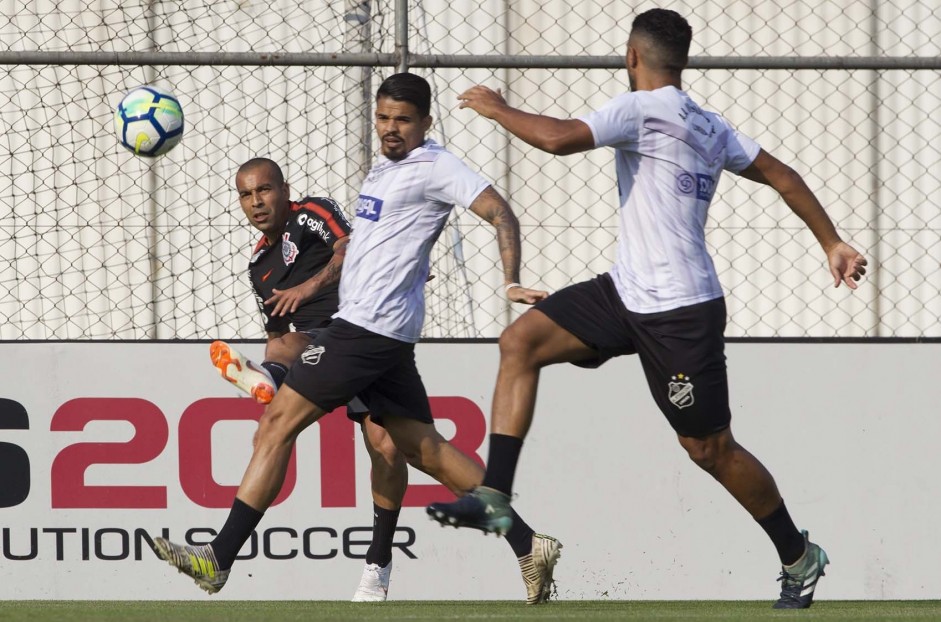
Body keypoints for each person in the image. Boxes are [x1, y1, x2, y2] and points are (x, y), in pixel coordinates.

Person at [426, 8, 867, 610]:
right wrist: (830, 241)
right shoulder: (710, 124)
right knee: (520, 343)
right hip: (625, 291)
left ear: (633, 56)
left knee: (710, 449)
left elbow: (557, 140)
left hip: (681, 311)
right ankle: (495, 496)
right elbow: (783, 175)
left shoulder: (641, 108)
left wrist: (496, 106)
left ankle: (798, 554)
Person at [154, 73, 563, 605]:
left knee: (277, 422)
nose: (391, 129)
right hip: (381, 330)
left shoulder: (436, 166)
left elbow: (499, 211)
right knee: (428, 451)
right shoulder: (383, 168)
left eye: (403, 120)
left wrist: (510, 279)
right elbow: (374, 243)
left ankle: (219, 557)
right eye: (384, 118)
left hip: (366, 329)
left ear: (426, 123)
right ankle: (530, 545)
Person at [206, 156, 407, 601]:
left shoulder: (311, 215)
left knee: (389, 448)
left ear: (284, 189)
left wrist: (308, 288)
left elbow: (348, 246)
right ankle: (270, 380)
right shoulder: (258, 265)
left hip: (364, 330)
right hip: (319, 348)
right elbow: (278, 335)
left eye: (264, 190)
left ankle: (378, 564)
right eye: (245, 194)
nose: (256, 202)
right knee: (285, 357)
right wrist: (273, 368)